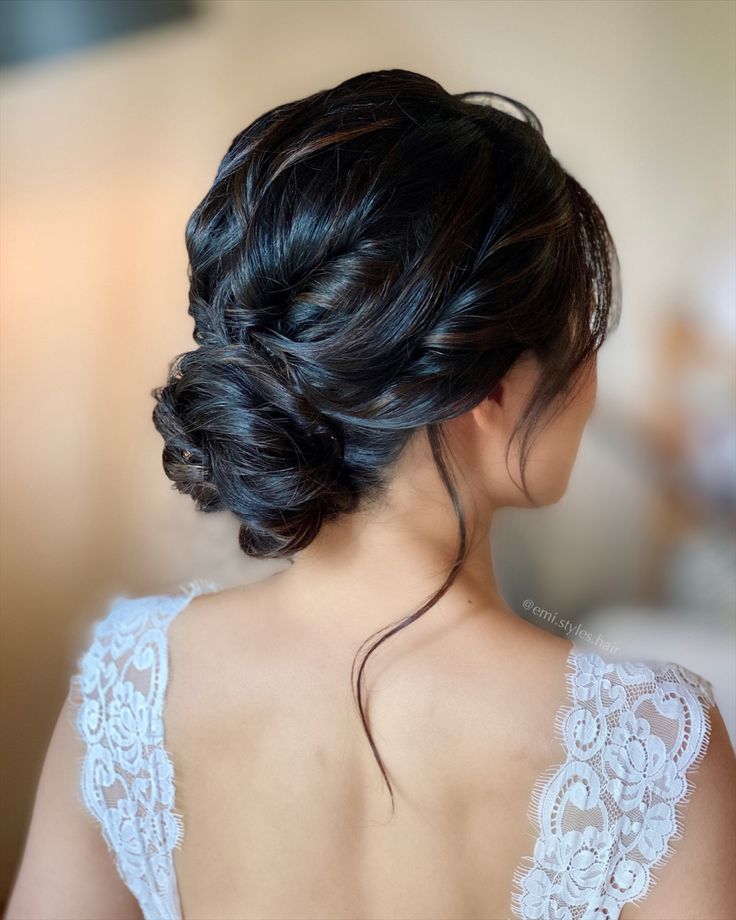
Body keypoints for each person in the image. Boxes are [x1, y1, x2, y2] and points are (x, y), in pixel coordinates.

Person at [5, 69, 734, 920]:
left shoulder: (125, 689)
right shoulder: (654, 747)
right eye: (581, 341)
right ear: (488, 390)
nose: (594, 383)